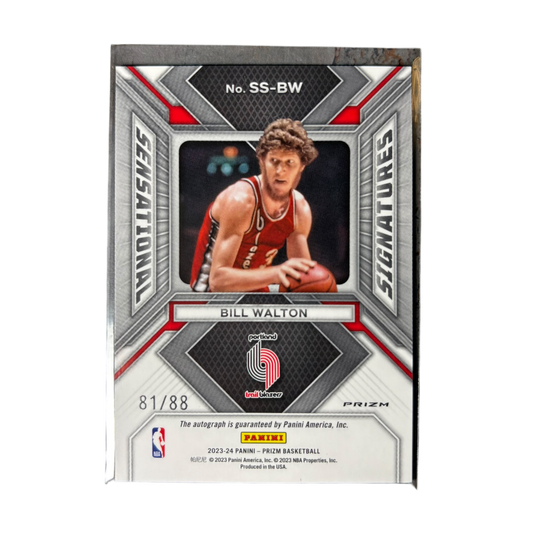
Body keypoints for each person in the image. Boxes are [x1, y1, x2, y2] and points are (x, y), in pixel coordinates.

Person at [190, 119, 319, 293]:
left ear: (302, 165)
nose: (280, 170)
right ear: (262, 161)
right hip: (211, 295)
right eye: (274, 161)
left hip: (255, 288)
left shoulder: (300, 209)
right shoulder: (241, 200)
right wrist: (277, 273)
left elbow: (302, 277)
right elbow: (218, 281)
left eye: (289, 162)